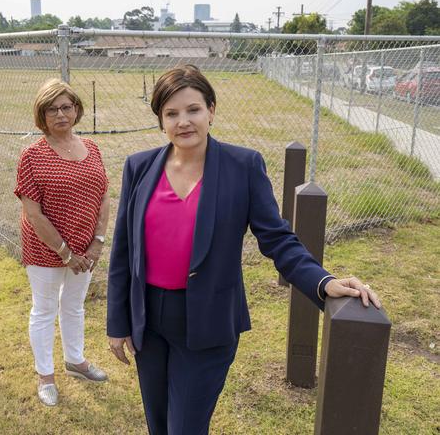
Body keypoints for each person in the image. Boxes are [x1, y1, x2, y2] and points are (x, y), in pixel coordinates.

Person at [106, 65, 381, 434]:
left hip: (206, 322)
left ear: (212, 111)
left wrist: (323, 282)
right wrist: (118, 322)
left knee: (184, 427)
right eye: (171, 113)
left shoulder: (242, 166)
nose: (183, 121)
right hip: (148, 322)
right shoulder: (139, 167)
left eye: (193, 109)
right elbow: (123, 252)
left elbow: (278, 239)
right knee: (158, 424)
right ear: (160, 120)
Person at [14, 78, 110, 406]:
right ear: (42, 115)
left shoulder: (92, 148)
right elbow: (33, 213)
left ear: (77, 109)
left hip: (85, 249)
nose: (60, 114)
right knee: (44, 309)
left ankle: (76, 361)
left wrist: (96, 243)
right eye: (51, 109)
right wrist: (65, 253)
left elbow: (103, 195)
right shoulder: (32, 156)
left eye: (66, 107)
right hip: (46, 248)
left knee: (74, 305)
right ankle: (45, 375)